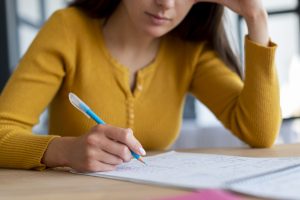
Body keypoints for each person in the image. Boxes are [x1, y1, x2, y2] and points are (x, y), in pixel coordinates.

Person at [0, 0, 281, 172]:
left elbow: (260, 132)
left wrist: (256, 16)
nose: (166, 3)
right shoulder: (67, 30)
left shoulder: (190, 51)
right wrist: (65, 151)